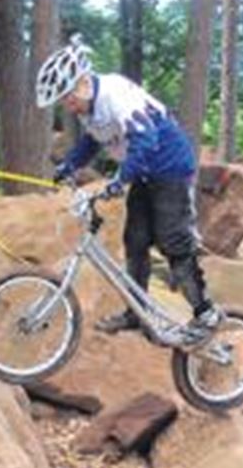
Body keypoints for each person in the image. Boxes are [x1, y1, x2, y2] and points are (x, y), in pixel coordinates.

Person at [36, 37, 223, 340]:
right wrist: (68, 166)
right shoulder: (89, 108)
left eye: (68, 98)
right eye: (63, 102)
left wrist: (120, 179)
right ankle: (136, 313)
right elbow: (94, 140)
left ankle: (206, 313)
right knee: (135, 241)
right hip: (145, 173)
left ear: (82, 82)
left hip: (170, 167)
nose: (67, 107)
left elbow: (145, 139)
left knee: (172, 240)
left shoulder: (115, 94)